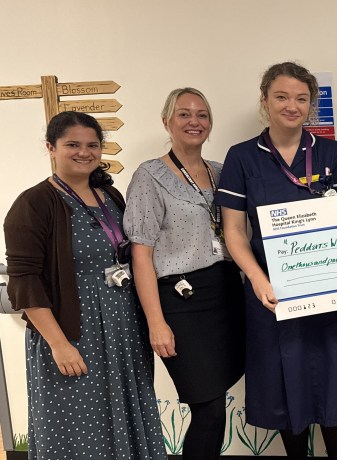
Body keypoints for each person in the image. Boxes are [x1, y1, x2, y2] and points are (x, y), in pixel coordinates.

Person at [215, 62, 337, 459]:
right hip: (273, 292)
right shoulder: (241, 158)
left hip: (331, 292)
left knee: (336, 384)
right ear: (265, 100)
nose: (292, 106)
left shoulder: (331, 153)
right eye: (282, 97)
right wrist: (255, 278)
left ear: (311, 105)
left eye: (301, 98)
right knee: (287, 389)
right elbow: (234, 231)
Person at [3, 111, 167, 459]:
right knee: (78, 423)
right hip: (73, 331)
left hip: (123, 327)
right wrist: (59, 344)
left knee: (124, 415)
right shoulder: (34, 204)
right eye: (72, 144)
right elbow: (24, 282)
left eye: (92, 145)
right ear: (51, 147)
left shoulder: (110, 195)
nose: (84, 152)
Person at [124, 88, 245, 460]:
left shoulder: (223, 173)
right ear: (167, 122)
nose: (195, 122)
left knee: (217, 402)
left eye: (203, 115)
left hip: (225, 293)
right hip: (180, 299)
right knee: (205, 407)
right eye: (184, 114)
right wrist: (156, 322)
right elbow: (140, 254)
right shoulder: (150, 176)